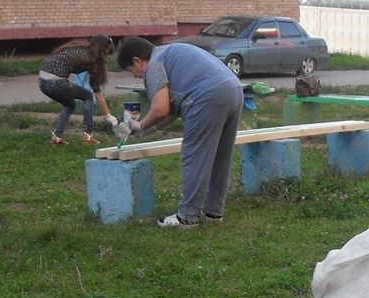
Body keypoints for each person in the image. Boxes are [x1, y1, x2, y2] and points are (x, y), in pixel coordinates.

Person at [115, 36, 244, 228]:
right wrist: (148, 129)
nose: (135, 75)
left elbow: (160, 108)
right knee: (220, 157)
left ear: (137, 60)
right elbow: (172, 109)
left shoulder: (154, 64)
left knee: (194, 156)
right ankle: (213, 213)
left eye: (131, 70)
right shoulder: (172, 53)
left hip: (207, 97)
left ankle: (187, 217)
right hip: (233, 90)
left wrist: (139, 126)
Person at [38, 35, 124, 146]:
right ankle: (87, 136)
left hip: (42, 82)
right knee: (88, 96)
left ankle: (56, 136)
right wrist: (108, 115)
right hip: (56, 82)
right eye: (106, 53)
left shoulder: (78, 48)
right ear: (102, 50)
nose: (106, 58)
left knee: (70, 105)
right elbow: (97, 93)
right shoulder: (92, 61)